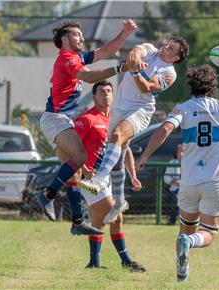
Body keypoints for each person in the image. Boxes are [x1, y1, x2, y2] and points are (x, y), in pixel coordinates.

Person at [135, 64, 219, 282]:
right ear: (213, 86)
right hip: (215, 181)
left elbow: (164, 129)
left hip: (189, 182)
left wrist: (144, 157)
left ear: (191, 85)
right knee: (209, 233)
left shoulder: (183, 108)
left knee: (185, 229)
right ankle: (189, 244)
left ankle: (182, 275)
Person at [35, 19, 137, 236]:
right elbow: (89, 77)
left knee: (75, 172)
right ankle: (47, 194)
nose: (82, 38)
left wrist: (125, 33)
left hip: (62, 119)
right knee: (80, 156)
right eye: (77, 34)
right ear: (64, 38)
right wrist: (119, 67)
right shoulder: (66, 59)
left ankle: (77, 221)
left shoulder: (78, 56)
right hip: (55, 119)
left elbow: (107, 50)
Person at [80, 36, 190, 225]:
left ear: (176, 59)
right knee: (118, 155)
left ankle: (98, 179)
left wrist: (137, 71)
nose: (168, 46)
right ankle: (120, 201)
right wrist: (136, 56)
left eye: (173, 49)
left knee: (116, 136)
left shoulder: (169, 73)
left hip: (141, 109)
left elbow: (146, 87)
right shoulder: (150, 47)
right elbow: (136, 52)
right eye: (169, 43)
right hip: (120, 106)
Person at [70, 80, 146, 271]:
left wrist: (133, 174)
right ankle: (126, 261)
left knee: (103, 219)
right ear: (94, 96)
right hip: (90, 177)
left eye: (109, 91)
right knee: (114, 214)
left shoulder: (116, 120)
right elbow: (72, 147)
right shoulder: (87, 119)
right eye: (102, 91)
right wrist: (84, 169)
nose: (106, 94)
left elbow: (124, 150)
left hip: (108, 177)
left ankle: (94, 263)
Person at [164, 144, 184, 225]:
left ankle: (184, 221)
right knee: (175, 204)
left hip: (186, 189)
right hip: (175, 189)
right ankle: (172, 221)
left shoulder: (190, 164)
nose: (181, 154)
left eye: (183, 152)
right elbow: (166, 178)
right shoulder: (172, 163)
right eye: (179, 152)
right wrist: (173, 181)